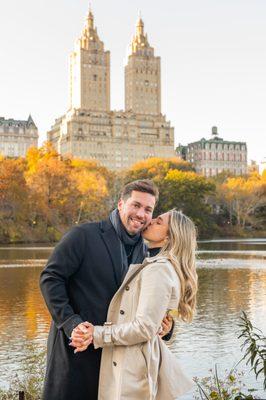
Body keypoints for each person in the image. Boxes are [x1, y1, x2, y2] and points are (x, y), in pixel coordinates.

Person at [40, 179, 173, 400]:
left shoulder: (147, 252)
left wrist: (166, 326)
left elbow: (150, 304)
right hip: (76, 350)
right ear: (121, 204)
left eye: (148, 209)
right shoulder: (83, 235)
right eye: (136, 205)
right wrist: (71, 323)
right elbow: (50, 278)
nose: (141, 214)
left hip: (118, 359)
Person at [70, 209, 198, 400]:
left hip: (132, 369)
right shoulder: (154, 262)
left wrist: (95, 334)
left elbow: (144, 328)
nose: (151, 221)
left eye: (159, 222)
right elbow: (153, 322)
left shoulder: (159, 269)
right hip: (129, 362)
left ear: (170, 237)